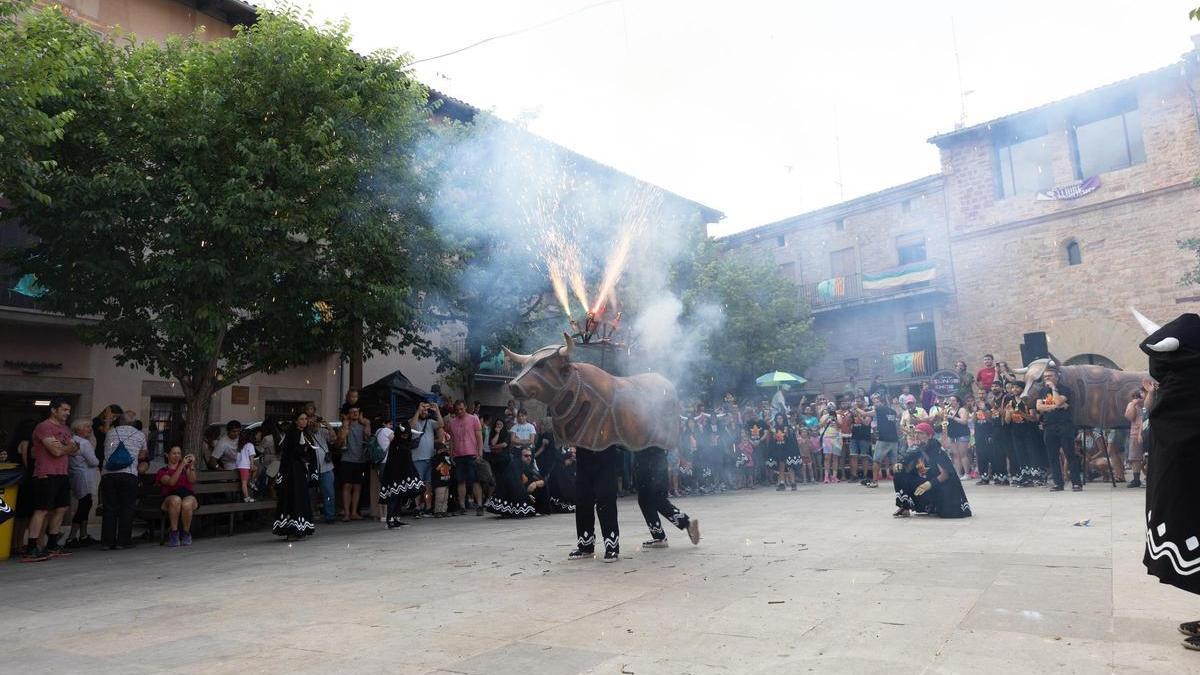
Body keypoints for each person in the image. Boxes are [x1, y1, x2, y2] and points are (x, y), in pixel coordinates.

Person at [892, 422, 972, 518]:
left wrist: (929, 484)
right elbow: (905, 458)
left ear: (929, 435)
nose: (917, 436)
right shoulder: (916, 447)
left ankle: (934, 506)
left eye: (920, 433)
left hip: (940, 485)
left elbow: (945, 474)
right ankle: (904, 507)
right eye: (916, 433)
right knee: (899, 474)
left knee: (947, 512)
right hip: (927, 481)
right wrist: (899, 464)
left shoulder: (936, 448)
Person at [99, 408, 148, 552]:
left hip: (108, 474)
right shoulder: (139, 435)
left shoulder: (110, 433)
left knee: (109, 508)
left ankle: (107, 542)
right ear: (134, 423)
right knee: (127, 508)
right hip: (129, 474)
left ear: (119, 421)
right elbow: (142, 455)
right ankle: (123, 541)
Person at [634, 446, 701, 549]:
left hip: (646, 462)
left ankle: (660, 537)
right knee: (659, 500)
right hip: (660, 460)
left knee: (645, 500)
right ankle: (686, 523)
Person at [569, 445, 622, 562]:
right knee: (582, 500)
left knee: (606, 503)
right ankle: (585, 546)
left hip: (605, 456)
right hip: (584, 455)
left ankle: (611, 547)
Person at [273, 411, 317, 541]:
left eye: (305, 419)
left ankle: (301, 528)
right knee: (291, 498)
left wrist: (312, 466)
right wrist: (302, 450)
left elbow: (311, 454)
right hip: (291, 472)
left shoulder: (307, 434)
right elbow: (288, 454)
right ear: (296, 421)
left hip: (301, 472)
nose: (304, 421)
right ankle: (291, 530)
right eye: (301, 419)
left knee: (301, 498)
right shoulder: (291, 434)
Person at [1037, 366, 1082, 492]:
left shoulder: (1065, 389)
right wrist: (1056, 405)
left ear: (1057, 377)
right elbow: (1039, 407)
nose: (1047, 378)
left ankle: (1076, 483)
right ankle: (1058, 483)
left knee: (1070, 454)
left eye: (1049, 376)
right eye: (1045, 376)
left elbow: (1057, 401)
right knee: (1052, 456)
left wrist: (1053, 389)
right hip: (1049, 426)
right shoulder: (1042, 391)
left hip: (1064, 425)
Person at [485, 417, 538, 518]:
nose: (529, 458)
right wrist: (526, 496)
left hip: (505, 461)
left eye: (530, 456)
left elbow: (503, 444)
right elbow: (491, 445)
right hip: (498, 464)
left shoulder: (507, 435)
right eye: (526, 456)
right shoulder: (516, 464)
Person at [379, 421, 425, 529]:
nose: (405, 436)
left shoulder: (404, 444)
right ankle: (390, 520)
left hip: (402, 475)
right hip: (394, 475)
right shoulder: (396, 444)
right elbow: (394, 462)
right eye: (403, 434)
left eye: (407, 434)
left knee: (399, 497)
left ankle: (396, 519)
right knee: (393, 496)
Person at [446, 400, 484, 516]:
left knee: (475, 480)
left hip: (472, 454)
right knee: (460, 481)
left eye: (461, 409)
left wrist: (480, 452)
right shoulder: (452, 422)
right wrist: (451, 454)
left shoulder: (474, 419)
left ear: (466, 407)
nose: (459, 412)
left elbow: (479, 437)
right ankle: (462, 506)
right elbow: (451, 440)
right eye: (457, 410)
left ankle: (479, 505)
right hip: (458, 455)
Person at [155, 445, 198, 547]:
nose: (177, 456)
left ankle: (186, 533)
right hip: (170, 496)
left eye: (179, 453)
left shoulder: (185, 468)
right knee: (176, 500)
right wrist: (181, 465)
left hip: (187, 494)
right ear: (167, 455)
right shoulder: (162, 471)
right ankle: (174, 533)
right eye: (174, 453)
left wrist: (191, 466)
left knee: (187, 504)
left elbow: (192, 480)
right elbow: (171, 482)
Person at [65, 420, 99, 547]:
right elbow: (93, 461)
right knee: (84, 506)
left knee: (85, 504)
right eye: (86, 427)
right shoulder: (84, 443)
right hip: (85, 477)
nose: (90, 429)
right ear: (78, 429)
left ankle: (83, 534)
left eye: (90, 427)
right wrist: (98, 460)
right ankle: (72, 536)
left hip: (76, 476)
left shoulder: (72, 441)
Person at [336, 405, 371, 521]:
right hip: (347, 460)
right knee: (347, 486)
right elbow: (339, 443)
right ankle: (346, 513)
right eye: (352, 412)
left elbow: (368, 438)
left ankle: (354, 512)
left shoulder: (363, 426)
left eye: (357, 411)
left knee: (357, 487)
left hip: (360, 460)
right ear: (348, 414)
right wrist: (345, 428)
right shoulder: (345, 427)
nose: (355, 413)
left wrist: (367, 424)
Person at [409, 401, 442, 517]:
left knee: (428, 485)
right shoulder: (413, 421)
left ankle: (428, 507)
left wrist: (437, 410)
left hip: (430, 458)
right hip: (417, 458)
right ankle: (417, 507)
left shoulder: (430, 422)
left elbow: (441, 424)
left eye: (426, 410)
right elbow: (411, 427)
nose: (424, 411)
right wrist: (418, 411)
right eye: (422, 409)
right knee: (417, 484)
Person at [308, 414, 337, 524]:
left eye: (315, 422)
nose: (314, 424)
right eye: (311, 422)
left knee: (329, 493)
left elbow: (334, 439)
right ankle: (309, 515)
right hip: (311, 468)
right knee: (310, 493)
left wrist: (328, 426)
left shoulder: (323, 432)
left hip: (326, 467)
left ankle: (330, 516)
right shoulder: (305, 434)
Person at [868, 393, 899, 489]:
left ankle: (874, 482)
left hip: (883, 439)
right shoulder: (893, 411)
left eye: (877, 401)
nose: (875, 404)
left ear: (882, 402)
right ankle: (900, 482)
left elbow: (866, 414)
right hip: (894, 439)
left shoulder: (879, 409)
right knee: (895, 463)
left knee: (876, 461)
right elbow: (896, 425)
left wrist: (856, 409)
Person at [766, 413, 800, 491]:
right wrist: (773, 431)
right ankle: (782, 483)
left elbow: (790, 438)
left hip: (788, 449)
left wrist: (786, 431)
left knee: (790, 466)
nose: (779, 420)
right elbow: (774, 439)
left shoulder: (788, 427)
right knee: (781, 467)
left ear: (783, 419)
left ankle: (793, 483)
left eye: (781, 418)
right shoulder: (774, 428)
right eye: (778, 418)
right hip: (779, 449)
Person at [943, 395, 971, 479]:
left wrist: (953, 417)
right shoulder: (948, 410)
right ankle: (958, 474)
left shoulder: (962, 410)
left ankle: (967, 473)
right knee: (955, 455)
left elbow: (964, 421)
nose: (951, 402)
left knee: (963, 454)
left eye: (953, 400)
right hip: (952, 435)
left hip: (962, 434)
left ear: (958, 402)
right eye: (950, 400)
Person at [849, 398, 874, 485]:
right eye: (856, 401)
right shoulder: (852, 411)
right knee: (853, 456)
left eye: (859, 401)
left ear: (863, 402)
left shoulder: (868, 411)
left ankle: (865, 476)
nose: (857, 403)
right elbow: (850, 424)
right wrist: (850, 416)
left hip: (864, 437)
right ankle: (854, 476)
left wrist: (859, 415)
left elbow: (867, 423)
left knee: (864, 457)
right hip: (854, 436)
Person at [1125, 390, 1146, 488]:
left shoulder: (1148, 404)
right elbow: (1130, 417)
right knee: (1135, 457)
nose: (1141, 399)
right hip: (1135, 433)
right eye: (1139, 397)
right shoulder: (1132, 405)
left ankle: (1147, 477)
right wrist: (1134, 404)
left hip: (1148, 433)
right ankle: (1136, 479)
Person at [431, 444, 454, 518]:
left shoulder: (447, 458)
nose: (444, 451)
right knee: (439, 497)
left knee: (445, 498)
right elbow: (436, 469)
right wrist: (442, 461)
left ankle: (444, 510)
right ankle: (438, 511)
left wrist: (448, 461)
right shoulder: (435, 458)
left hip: (446, 480)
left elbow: (451, 467)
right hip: (439, 482)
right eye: (442, 450)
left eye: (445, 450)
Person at [236, 427, 257, 503]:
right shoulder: (250, 445)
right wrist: (251, 465)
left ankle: (251, 482)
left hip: (241, 466)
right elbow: (251, 457)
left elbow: (238, 458)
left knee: (255, 469)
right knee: (244, 483)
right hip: (245, 467)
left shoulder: (241, 445)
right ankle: (247, 497)